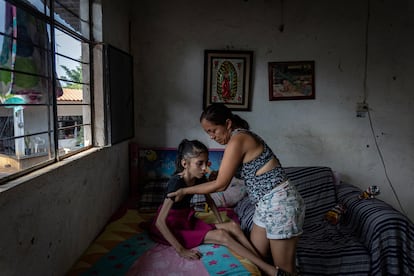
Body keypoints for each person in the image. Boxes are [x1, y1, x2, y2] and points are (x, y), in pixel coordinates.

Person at [168, 104, 306, 275]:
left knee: (284, 271)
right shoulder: (237, 139)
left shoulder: (238, 139)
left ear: (227, 123)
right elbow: (246, 171)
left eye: (213, 130)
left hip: (279, 203)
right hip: (264, 205)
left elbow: (221, 185)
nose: (212, 137)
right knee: (256, 259)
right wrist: (218, 175)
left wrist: (185, 191)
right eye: (207, 133)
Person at [149, 139, 277, 275]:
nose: (205, 168)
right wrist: (181, 250)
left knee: (233, 226)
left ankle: (259, 259)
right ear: (185, 163)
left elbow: (210, 201)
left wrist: (220, 221)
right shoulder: (176, 183)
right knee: (222, 235)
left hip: (186, 221)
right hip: (171, 227)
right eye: (200, 163)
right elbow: (160, 221)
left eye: (206, 163)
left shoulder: (199, 178)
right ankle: (268, 269)